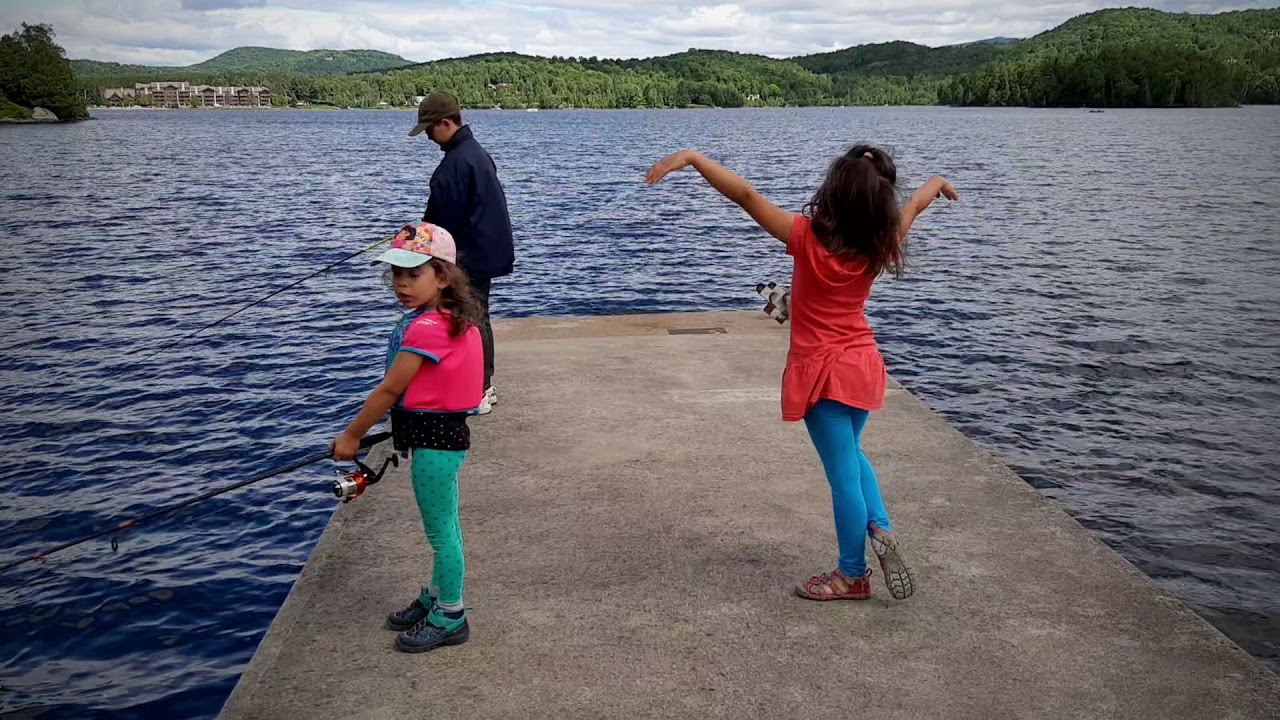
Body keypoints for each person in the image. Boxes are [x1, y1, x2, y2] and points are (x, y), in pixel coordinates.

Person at [645, 146, 959, 601]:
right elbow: (915, 203)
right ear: (878, 204)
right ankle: (882, 528)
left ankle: (852, 575)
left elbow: (747, 196)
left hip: (822, 374)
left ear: (832, 194)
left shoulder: (805, 237)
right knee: (852, 453)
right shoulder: (882, 241)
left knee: (842, 478)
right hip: (863, 364)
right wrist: (937, 182)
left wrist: (694, 159)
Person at [331, 221, 485, 652]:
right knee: (446, 523)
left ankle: (451, 615)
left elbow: (390, 391)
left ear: (443, 276)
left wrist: (352, 436)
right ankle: (437, 596)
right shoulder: (447, 319)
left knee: (441, 532)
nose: (402, 283)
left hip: (436, 442)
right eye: (396, 273)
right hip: (440, 437)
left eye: (414, 273)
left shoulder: (426, 328)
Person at [411, 91, 515, 415]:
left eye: (430, 129)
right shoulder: (476, 154)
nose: (428, 136)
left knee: (471, 319)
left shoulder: (454, 165)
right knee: (479, 316)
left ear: (446, 123)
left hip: (468, 256)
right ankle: (485, 385)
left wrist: (414, 240)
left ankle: (479, 390)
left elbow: (439, 224)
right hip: (486, 252)